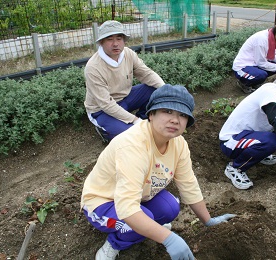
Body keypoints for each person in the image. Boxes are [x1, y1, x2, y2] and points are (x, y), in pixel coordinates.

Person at [81, 84, 236, 260]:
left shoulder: (179, 144)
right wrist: (168, 239)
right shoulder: (132, 146)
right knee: (137, 221)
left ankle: (145, 227)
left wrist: (208, 221)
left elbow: (188, 184)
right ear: (151, 114)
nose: (175, 120)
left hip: (137, 195)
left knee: (170, 208)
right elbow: (127, 208)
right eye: (167, 111)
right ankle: (114, 243)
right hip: (102, 201)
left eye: (182, 115)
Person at [84, 20, 165, 142]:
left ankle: (142, 119)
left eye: (119, 38)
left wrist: (166, 88)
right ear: (101, 42)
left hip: (125, 98)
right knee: (130, 137)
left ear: (124, 40)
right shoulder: (93, 67)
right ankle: (105, 131)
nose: (115, 44)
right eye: (110, 39)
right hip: (101, 110)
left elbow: (146, 73)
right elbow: (106, 104)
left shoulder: (128, 53)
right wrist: (134, 120)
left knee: (155, 89)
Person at [232, 22, 276, 94]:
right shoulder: (262, 40)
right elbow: (260, 63)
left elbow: (271, 57)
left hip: (255, 63)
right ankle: (244, 83)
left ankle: (255, 81)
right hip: (242, 67)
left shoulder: (272, 39)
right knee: (262, 75)